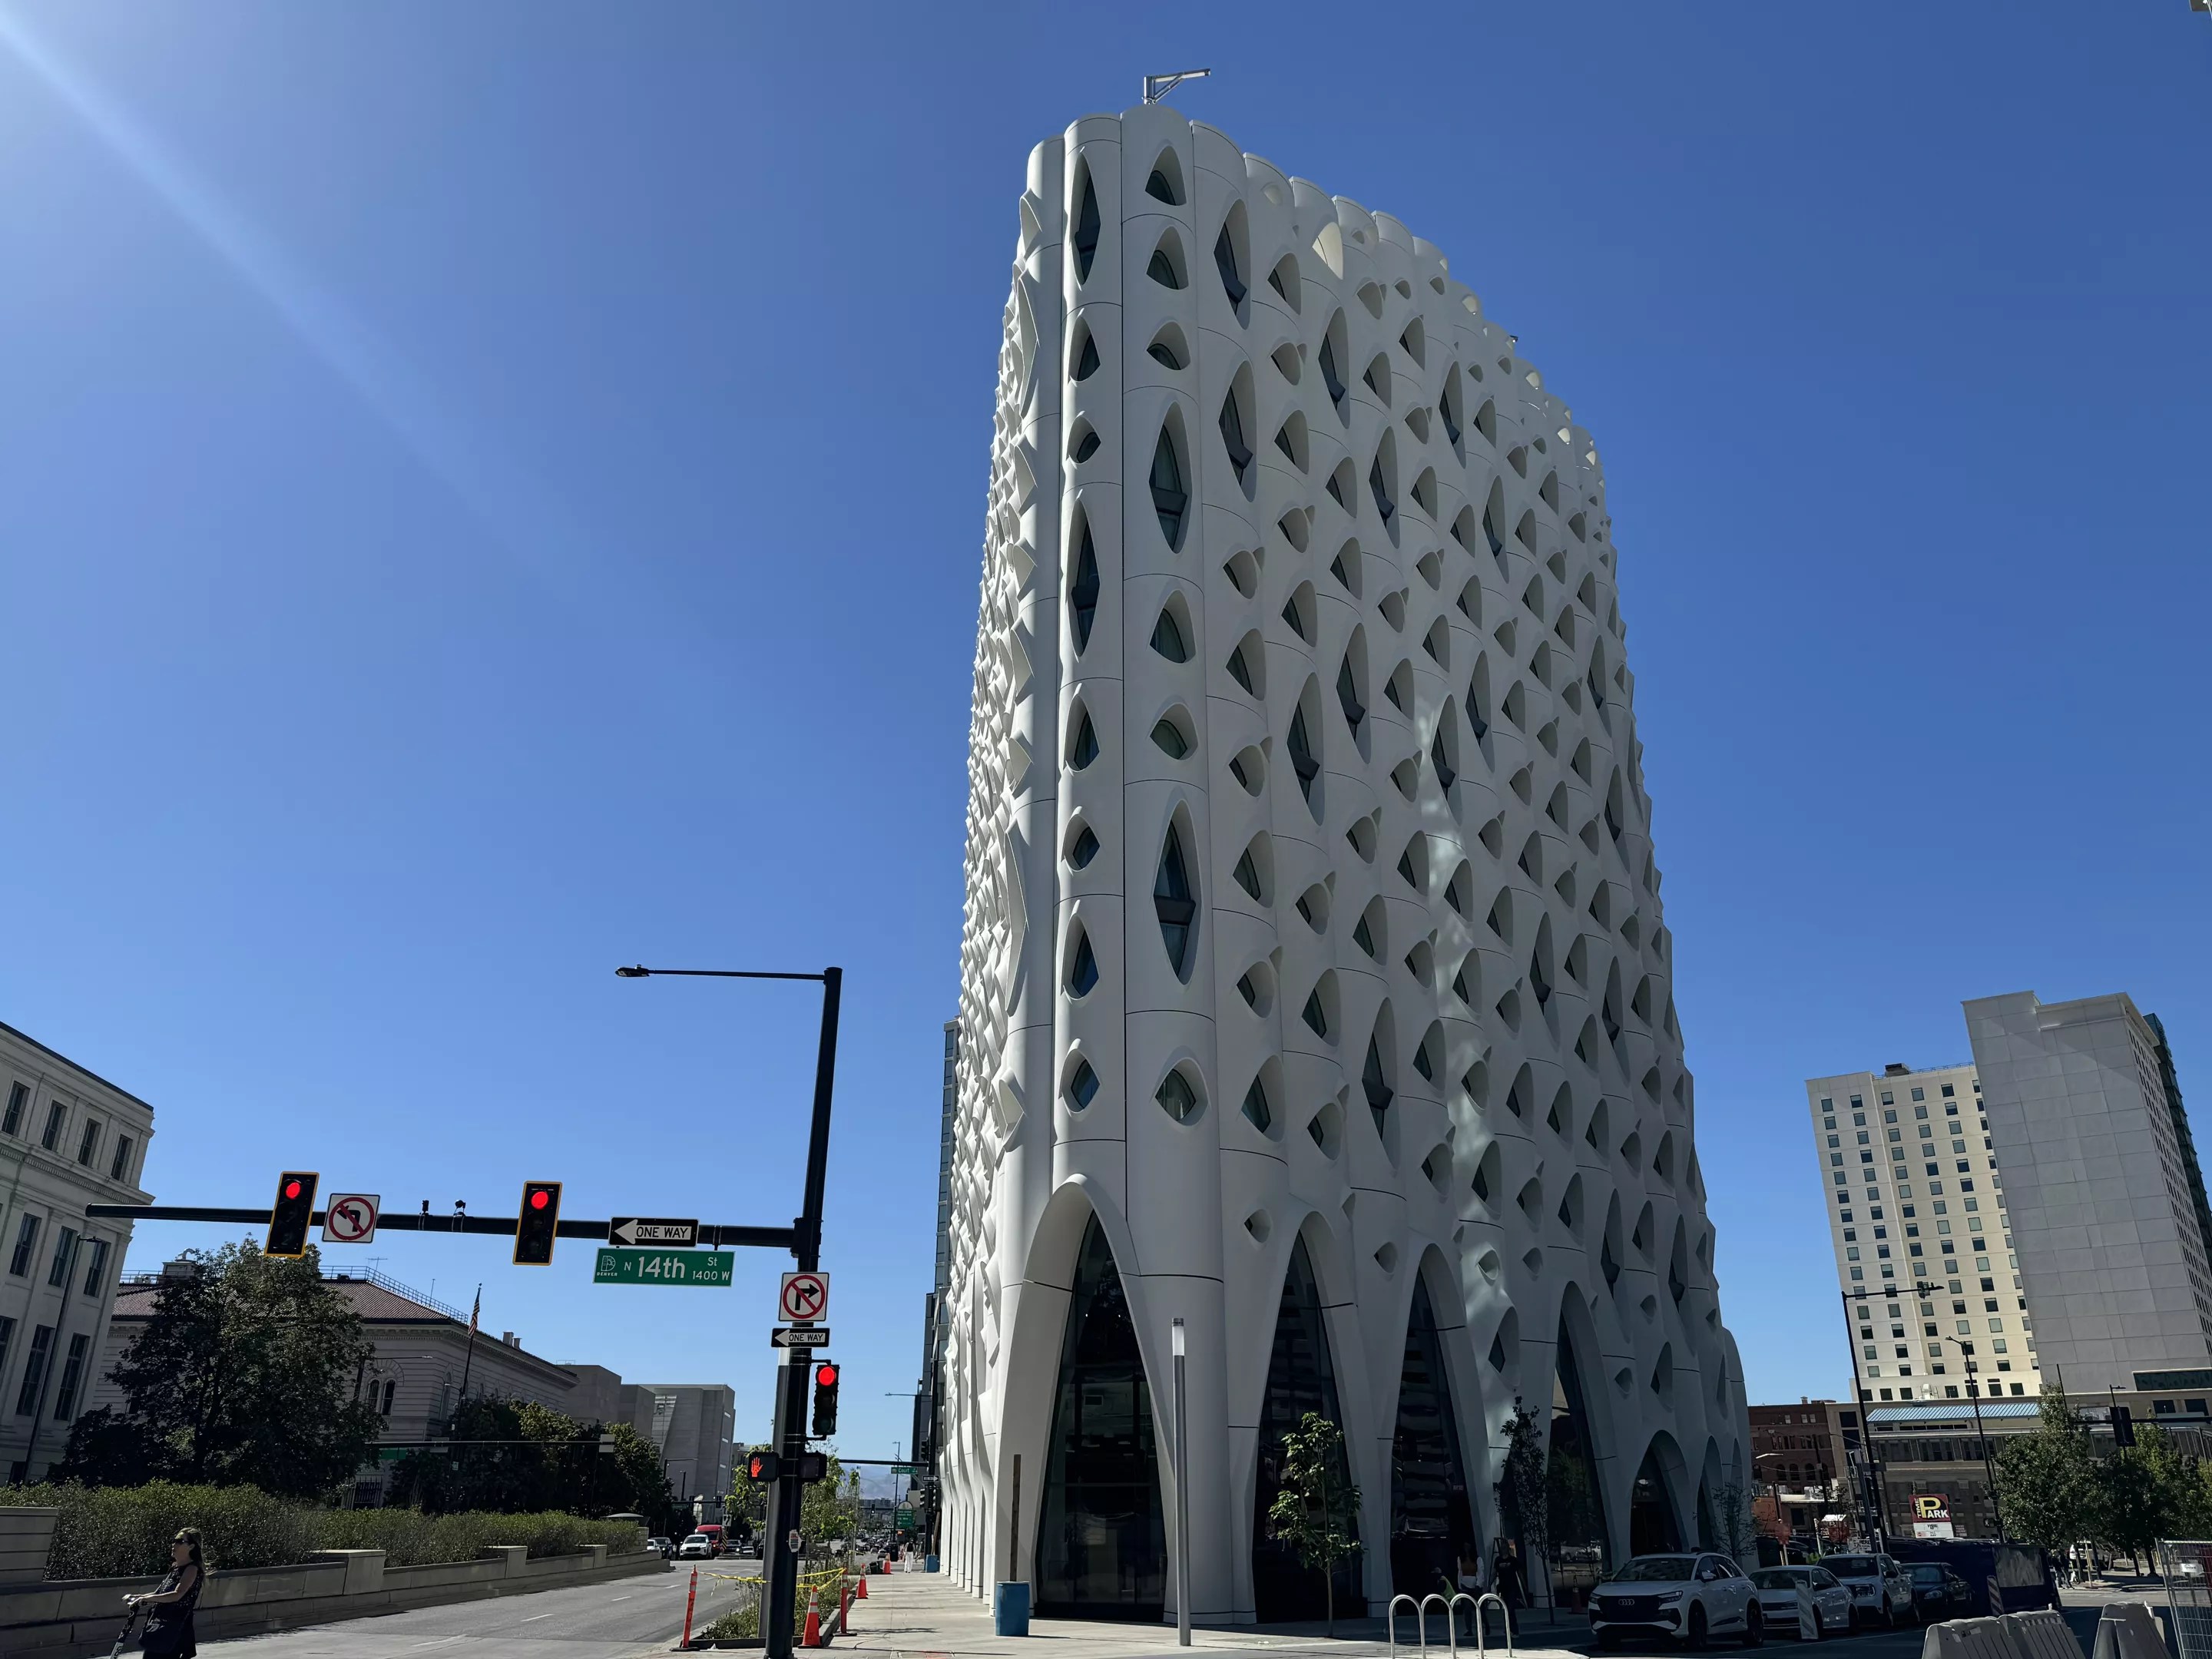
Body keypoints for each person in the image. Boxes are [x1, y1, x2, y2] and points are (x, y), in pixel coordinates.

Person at [124, 1529, 204, 1659]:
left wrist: (148, 1599)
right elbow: (160, 1593)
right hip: (160, 1627)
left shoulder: (192, 1569)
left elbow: (177, 1594)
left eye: (179, 1541)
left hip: (174, 1631)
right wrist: (140, 1597)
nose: (174, 1545)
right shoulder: (175, 1568)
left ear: (191, 1546)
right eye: (174, 1541)